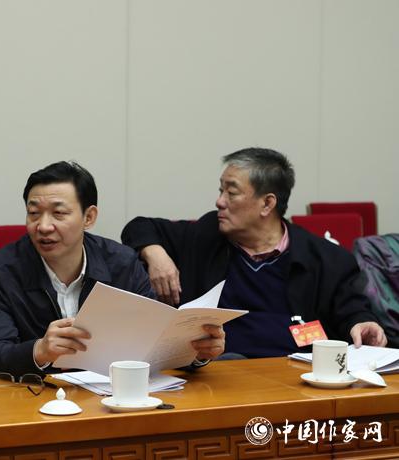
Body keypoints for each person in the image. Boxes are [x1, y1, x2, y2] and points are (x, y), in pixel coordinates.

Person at [122, 147, 387, 359]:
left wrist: (362, 322)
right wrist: (156, 255)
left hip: (294, 375)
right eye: (221, 190)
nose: (219, 201)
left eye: (231, 192)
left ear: (267, 203)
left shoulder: (324, 257)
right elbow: (139, 227)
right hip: (219, 372)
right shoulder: (206, 234)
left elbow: (351, 309)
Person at [0, 161, 225, 378]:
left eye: (58, 213)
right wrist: (40, 350)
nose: (43, 226)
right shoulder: (0, 271)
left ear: (89, 217)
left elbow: (153, 343)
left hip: (108, 396)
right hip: (30, 396)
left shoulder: (121, 263)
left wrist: (196, 352)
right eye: (33, 213)